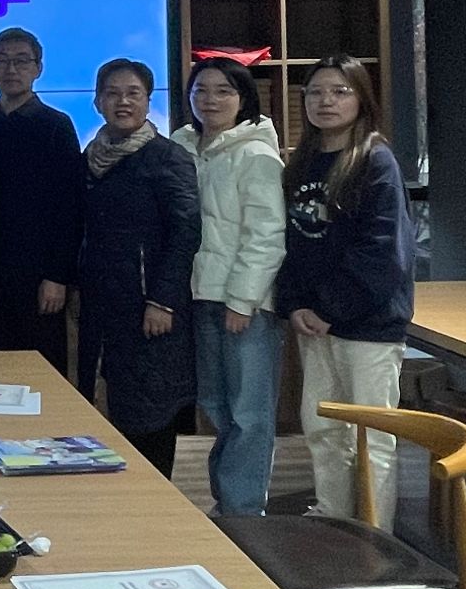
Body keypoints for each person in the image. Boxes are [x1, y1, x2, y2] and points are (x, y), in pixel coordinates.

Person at [277, 54, 416, 524]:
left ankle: (377, 537)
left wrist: (329, 308)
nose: (326, 101)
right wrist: (296, 304)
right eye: (316, 92)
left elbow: (383, 252)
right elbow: (293, 242)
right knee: (323, 430)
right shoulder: (303, 162)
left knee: (371, 437)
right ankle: (333, 522)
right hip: (314, 324)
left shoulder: (376, 161)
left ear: (361, 99)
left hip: (368, 326)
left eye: (340, 91)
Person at [173, 57, 287, 516]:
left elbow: (267, 235)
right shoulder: (181, 147)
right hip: (199, 296)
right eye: (201, 90)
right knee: (216, 404)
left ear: (244, 99)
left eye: (224, 91)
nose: (210, 100)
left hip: (244, 304)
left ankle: (244, 511)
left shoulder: (256, 155)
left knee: (249, 412)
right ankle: (228, 501)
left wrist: (243, 299)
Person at [78, 57, 200, 476]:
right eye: (112, 93)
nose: (122, 102)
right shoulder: (90, 157)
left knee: (150, 409)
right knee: (105, 403)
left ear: (149, 101)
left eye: (133, 93)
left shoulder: (167, 157)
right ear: (97, 102)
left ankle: (155, 499)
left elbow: (186, 232)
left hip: (149, 307)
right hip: (102, 305)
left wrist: (163, 301)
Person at [0, 27, 84, 376]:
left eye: (21, 61)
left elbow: (69, 207)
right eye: (1, 61)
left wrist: (57, 276)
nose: (11, 69)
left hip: (40, 275)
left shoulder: (56, 125)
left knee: (45, 371)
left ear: (38, 68)